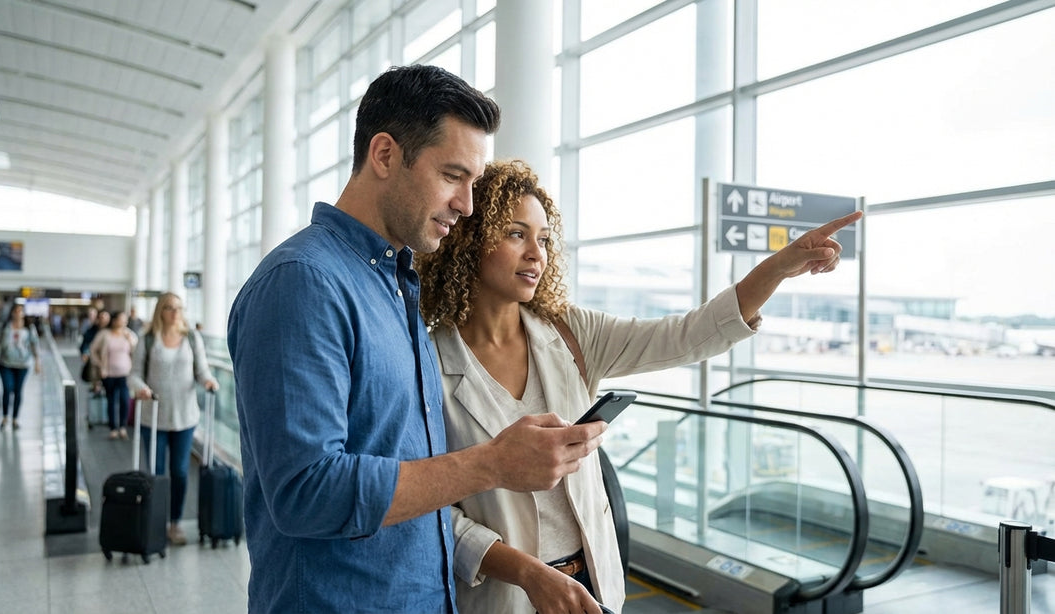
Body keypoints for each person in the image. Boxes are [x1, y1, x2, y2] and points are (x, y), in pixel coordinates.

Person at [227, 65, 607, 614]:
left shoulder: (396, 285)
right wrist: (493, 464)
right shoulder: (303, 282)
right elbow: (304, 492)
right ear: (384, 155)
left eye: (473, 182)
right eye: (453, 175)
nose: (468, 205)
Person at [414, 159, 864, 614]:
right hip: (505, 593)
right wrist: (528, 573)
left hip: (592, 582)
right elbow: (430, 507)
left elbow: (688, 335)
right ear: (468, 241)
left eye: (544, 239)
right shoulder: (427, 362)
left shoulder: (572, 333)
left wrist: (780, 267)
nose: (537, 253)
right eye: (516, 234)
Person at [129, 292, 218, 546]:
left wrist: (209, 381)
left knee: (179, 471)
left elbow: (201, 370)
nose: (175, 312)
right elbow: (134, 374)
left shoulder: (192, 338)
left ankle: (175, 522)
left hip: (184, 417)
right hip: (153, 417)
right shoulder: (147, 339)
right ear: (160, 311)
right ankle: (156, 520)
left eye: (179, 308)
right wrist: (140, 388)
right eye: (169, 308)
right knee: (156, 472)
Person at [0, 303, 41, 429]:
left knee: (18, 391)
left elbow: (35, 345)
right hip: (5, 363)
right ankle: (5, 416)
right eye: (16, 311)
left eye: (21, 311)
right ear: (12, 312)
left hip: (22, 364)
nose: (18, 313)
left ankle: (15, 418)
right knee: (7, 388)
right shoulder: (4, 327)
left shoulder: (29, 328)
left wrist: (37, 362)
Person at [91, 310, 137, 440]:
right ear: (115, 320)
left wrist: (130, 340)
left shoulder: (129, 334)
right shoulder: (105, 334)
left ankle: (122, 426)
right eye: (121, 319)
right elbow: (93, 350)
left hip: (125, 373)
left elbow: (136, 351)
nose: (124, 322)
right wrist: (100, 365)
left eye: (125, 319)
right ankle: (113, 428)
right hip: (109, 373)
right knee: (111, 401)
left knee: (124, 400)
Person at [80, 309, 110, 388]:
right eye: (101, 317)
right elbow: (86, 343)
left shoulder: (112, 331)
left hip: (109, 361)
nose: (103, 320)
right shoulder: (92, 330)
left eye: (105, 318)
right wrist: (85, 353)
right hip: (95, 360)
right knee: (96, 381)